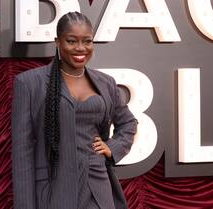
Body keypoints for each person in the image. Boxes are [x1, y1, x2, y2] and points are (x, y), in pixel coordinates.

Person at [12, 12, 138, 209]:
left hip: (96, 185)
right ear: (57, 42)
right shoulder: (29, 83)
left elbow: (128, 123)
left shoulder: (106, 83)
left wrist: (111, 147)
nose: (80, 48)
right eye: (71, 41)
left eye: (87, 41)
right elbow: (22, 153)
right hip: (54, 190)